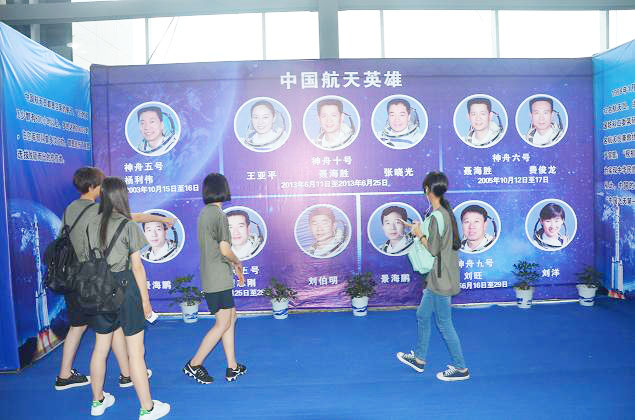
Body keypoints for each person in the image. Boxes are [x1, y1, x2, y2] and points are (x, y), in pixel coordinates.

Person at [54, 167, 171, 392]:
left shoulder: (70, 209)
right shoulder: (97, 212)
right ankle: (127, 374)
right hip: (102, 279)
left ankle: (70, 376)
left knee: (86, 328)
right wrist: (159, 218)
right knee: (111, 330)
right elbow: (129, 220)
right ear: (93, 187)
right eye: (100, 184)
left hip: (79, 278)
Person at [82, 177, 170, 418]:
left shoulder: (91, 223)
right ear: (122, 196)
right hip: (125, 288)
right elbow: (137, 267)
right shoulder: (128, 225)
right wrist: (146, 301)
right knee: (136, 352)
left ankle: (97, 402)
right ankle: (147, 408)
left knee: (100, 348)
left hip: (99, 289)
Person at [396, 171, 470, 381]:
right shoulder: (444, 213)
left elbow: (433, 249)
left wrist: (419, 234)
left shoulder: (438, 216)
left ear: (427, 189)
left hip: (440, 278)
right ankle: (419, 359)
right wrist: (418, 229)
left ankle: (461, 368)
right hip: (438, 276)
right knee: (422, 314)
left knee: (444, 323)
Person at [183, 173, 247, 385]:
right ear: (224, 189)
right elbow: (225, 249)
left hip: (215, 275)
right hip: (218, 277)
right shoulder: (218, 215)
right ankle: (194, 364)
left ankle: (232, 366)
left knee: (231, 318)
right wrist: (237, 262)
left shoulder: (205, 213)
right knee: (222, 323)